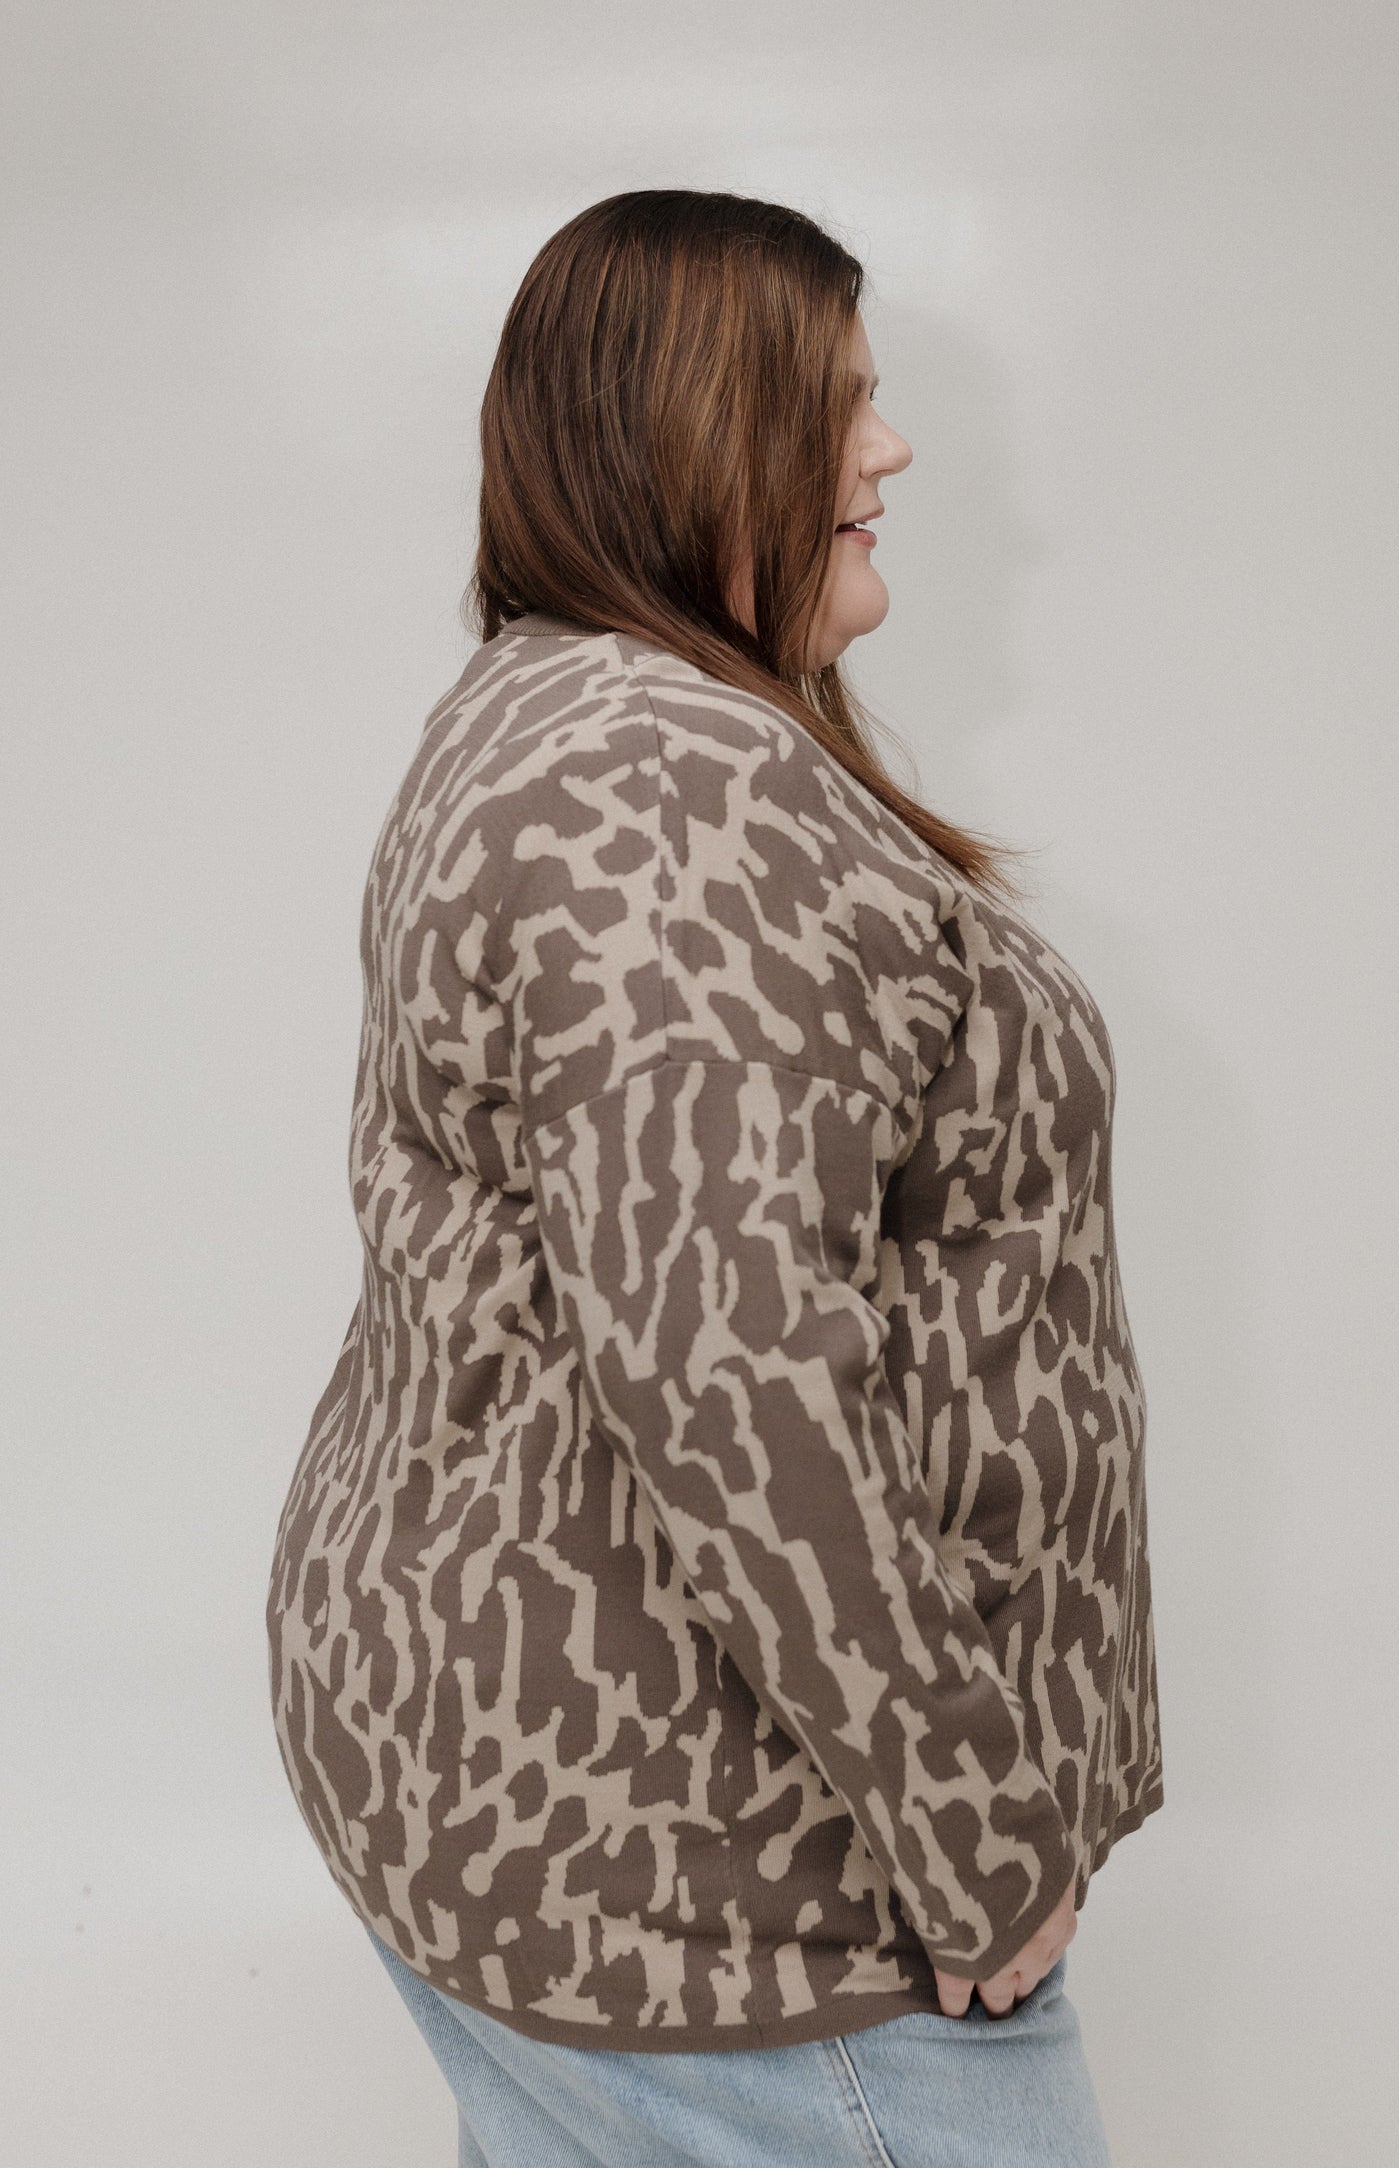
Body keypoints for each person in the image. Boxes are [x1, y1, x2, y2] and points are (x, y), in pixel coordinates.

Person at [265, 187, 1164, 2167]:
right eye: (841, 402)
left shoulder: (564, 707)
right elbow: (731, 1372)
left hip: (551, 1795)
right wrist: (982, 1839)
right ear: (698, 438)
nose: (895, 449)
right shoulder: (670, 801)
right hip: (730, 1900)